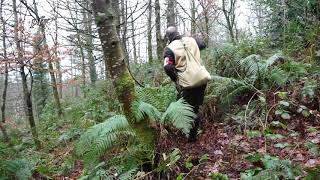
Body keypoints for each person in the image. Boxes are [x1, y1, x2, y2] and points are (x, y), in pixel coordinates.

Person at [163, 26, 207, 142]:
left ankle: (191, 138)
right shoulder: (191, 40)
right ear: (178, 32)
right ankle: (192, 133)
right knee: (194, 107)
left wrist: (175, 79)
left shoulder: (169, 49)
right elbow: (203, 45)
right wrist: (192, 37)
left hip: (187, 83)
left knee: (188, 108)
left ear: (168, 37)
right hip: (202, 78)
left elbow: (167, 66)